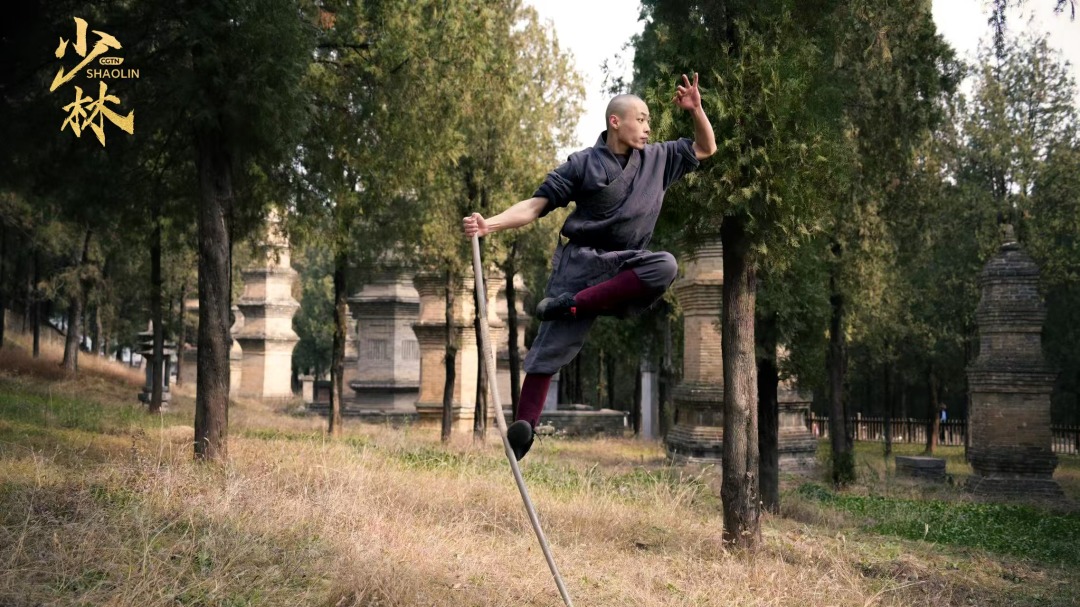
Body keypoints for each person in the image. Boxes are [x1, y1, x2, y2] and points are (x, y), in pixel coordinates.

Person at [462, 73, 716, 460]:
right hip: (580, 263)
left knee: (665, 265)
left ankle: (575, 303)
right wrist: (489, 224)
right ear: (616, 121)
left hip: (626, 265)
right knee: (548, 350)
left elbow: (706, 147)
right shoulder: (582, 165)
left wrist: (696, 109)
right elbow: (535, 206)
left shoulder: (660, 159)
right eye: (641, 119)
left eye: (649, 121)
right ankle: (525, 430)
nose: (648, 127)